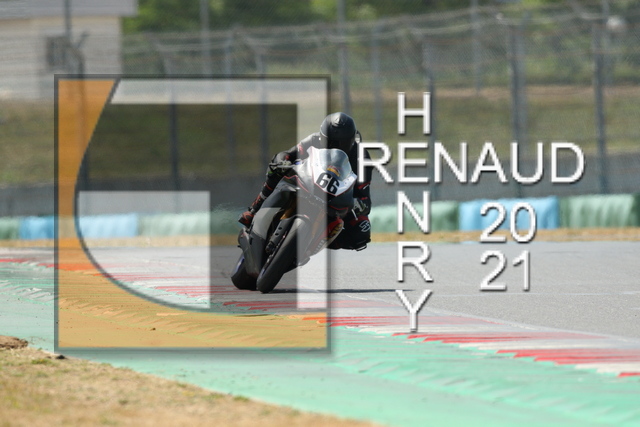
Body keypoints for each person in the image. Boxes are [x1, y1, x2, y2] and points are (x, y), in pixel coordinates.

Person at [239, 112, 372, 250]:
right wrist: (282, 160)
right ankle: (254, 210)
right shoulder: (314, 140)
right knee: (276, 167)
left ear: (352, 140)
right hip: (307, 182)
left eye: (342, 143)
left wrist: (359, 204)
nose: (335, 147)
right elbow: (289, 154)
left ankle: (316, 243)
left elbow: (364, 197)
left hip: (337, 199)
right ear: (322, 137)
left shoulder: (362, 158)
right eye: (330, 142)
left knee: (362, 231)